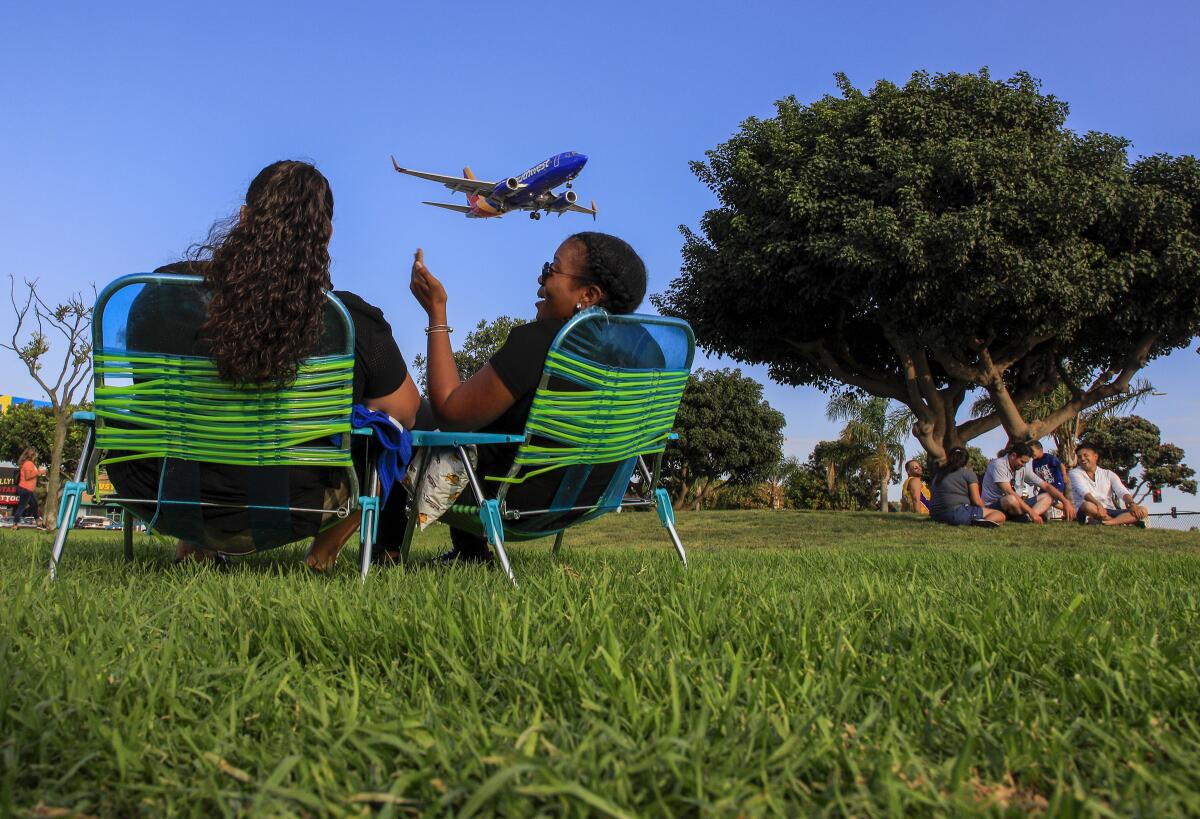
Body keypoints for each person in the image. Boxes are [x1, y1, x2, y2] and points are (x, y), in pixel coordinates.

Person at [107, 160, 420, 569]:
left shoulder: (162, 294)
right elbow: (406, 412)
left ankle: (194, 542)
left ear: (243, 217)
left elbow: (151, 402)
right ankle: (323, 554)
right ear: (325, 235)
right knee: (386, 434)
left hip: (160, 490)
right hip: (297, 502)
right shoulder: (347, 322)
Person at [373, 232, 651, 565]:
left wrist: (437, 313)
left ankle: (387, 551)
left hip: (508, 501)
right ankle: (470, 553)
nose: (541, 280)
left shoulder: (540, 344)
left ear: (587, 295)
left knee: (395, 415)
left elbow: (451, 412)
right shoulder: (635, 360)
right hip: (578, 501)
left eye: (551, 270)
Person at [980, 442, 1072, 523]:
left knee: (1048, 496)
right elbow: (1009, 492)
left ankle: (1026, 518)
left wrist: (1065, 502)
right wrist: (1031, 512)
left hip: (1016, 505)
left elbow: (1046, 486)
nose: (1023, 465)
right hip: (995, 505)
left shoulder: (1022, 468)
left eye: (1026, 462)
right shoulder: (999, 465)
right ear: (1013, 455)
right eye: (1022, 461)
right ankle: (1024, 517)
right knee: (1011, 499)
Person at [1069, 444, 1150, 526]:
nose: (1082, 459)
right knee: (1087, 505)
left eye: (1085, 455)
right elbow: (1083, 492)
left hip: (1109, 510)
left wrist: (1132, 504)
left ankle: (1109, 522)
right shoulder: (1074, 473)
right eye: (1079, 457)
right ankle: (1121, 521)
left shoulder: (1108, 473)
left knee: (1143, 510)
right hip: (1089, 509)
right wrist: (1098, 504)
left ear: (1095, 456)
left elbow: (1121, 491)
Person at [928, 447, 1005, 526]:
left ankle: (979, 520)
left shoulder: (938, 475)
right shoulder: (968, 473)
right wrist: (984, 509)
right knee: (999, 515)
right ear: (965, 461)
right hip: (955, 514)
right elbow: (977, 501)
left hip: (935, 515)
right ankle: (980, 522)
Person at [1029, 440, 1075, 521]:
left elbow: (1061, 465)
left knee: (1053, 499)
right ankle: (1071, 513)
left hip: (1056, 484)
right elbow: (1036, 475)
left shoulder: (1049, 457)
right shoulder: (1034, 462)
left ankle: (1071, 512)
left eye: (1032, 451)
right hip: (1045, 486)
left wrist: (1064, 475)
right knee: (1048, 501)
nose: (1031, 454)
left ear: (1040, 450)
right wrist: (1036, 485)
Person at [12, 447, 45, 526]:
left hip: (28, 490)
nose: (36, 456)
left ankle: (38, 522)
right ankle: (15, 524)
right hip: (25, 489)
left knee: (34, 504)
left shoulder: (30, 463)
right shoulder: (28, 463)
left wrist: (38, 472)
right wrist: (38, 472)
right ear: (32, 455)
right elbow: (27, 477)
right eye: (36, 454)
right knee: (22, 506)